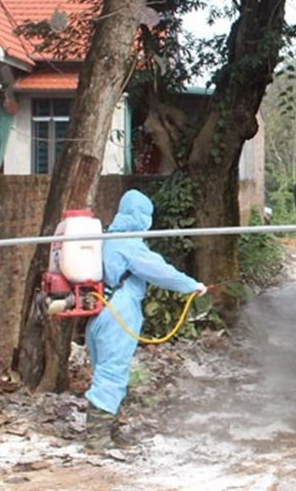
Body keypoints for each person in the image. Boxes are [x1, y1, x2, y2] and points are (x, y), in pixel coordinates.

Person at [84, 189, 207, 451]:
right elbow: (159, 271)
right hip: (119, 311)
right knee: (112, 373)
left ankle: (109, 431)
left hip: (100, 311)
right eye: (146, 215)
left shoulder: (107, 237)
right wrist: (191, 285)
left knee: (107, 372)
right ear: (140, 217)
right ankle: (96, 438)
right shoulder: (128, 244)